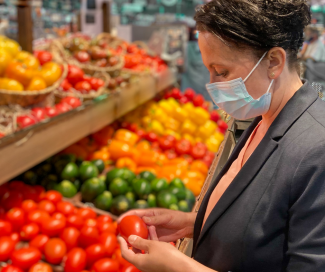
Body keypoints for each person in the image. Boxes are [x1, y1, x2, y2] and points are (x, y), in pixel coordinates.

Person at [118, 1, 325, 271]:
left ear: (273, 62)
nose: (212, 85)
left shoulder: (316, 150)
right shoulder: (264, 117)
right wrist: (196, 223)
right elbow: (265, 222)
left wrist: (182, 268)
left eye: (222, 71)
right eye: (209, 70)